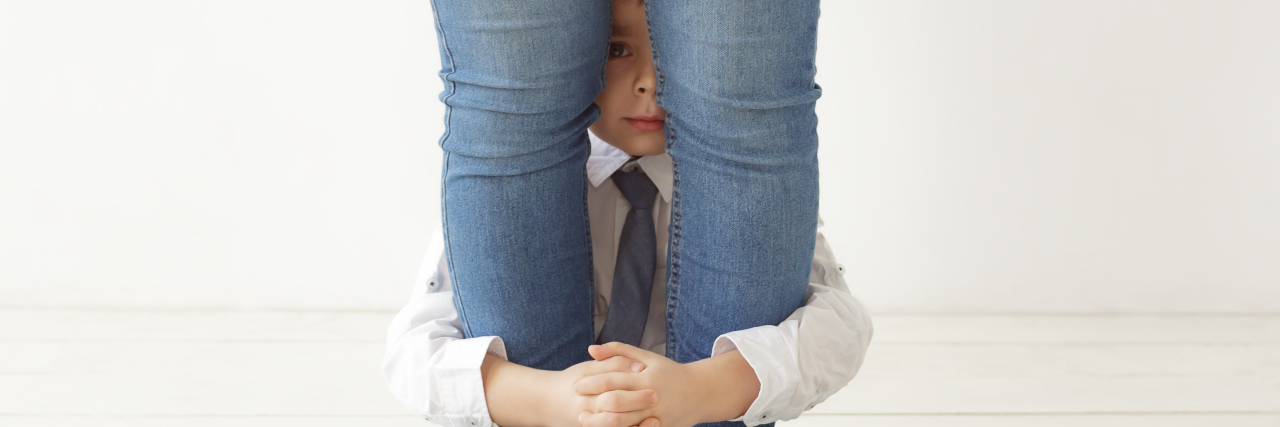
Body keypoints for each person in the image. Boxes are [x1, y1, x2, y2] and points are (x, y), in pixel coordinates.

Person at [384, 2, 872, 427]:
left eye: (673, 56)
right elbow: (413, 353)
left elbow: (839, 326)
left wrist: (700, 390)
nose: (651, 83)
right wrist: (553, 400)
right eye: (618, 51)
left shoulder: (745, 205)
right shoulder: (509, 205)